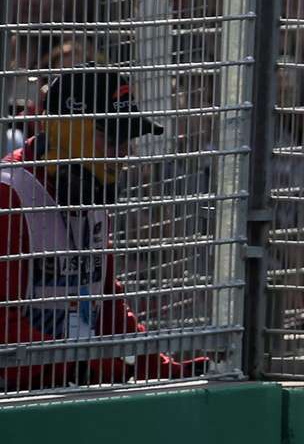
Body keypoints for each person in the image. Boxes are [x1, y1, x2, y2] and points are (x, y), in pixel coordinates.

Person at [1, 65, 208, 390]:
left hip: (65, 390)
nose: (124, 152)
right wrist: (87, 364)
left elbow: (106, 298)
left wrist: (153, 366)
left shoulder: (89, 187)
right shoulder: (10, 195)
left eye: (128, 138)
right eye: (112, 136)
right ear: (68, 131)